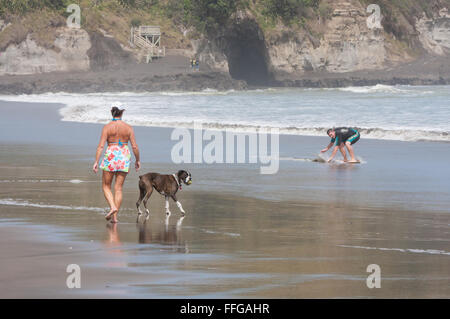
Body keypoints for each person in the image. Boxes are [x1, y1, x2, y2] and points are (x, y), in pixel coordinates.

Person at [93, 103, 140, 223]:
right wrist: (137, 160)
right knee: (118, 188)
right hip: (124, 155)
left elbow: (101, 146)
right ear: (122, 112)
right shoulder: (128, 128)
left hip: (111, 154)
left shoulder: (107, 127)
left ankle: (112, 207)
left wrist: (96, 161)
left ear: (111, 111)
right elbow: (134, 146)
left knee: (106, 186)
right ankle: (115, 217)